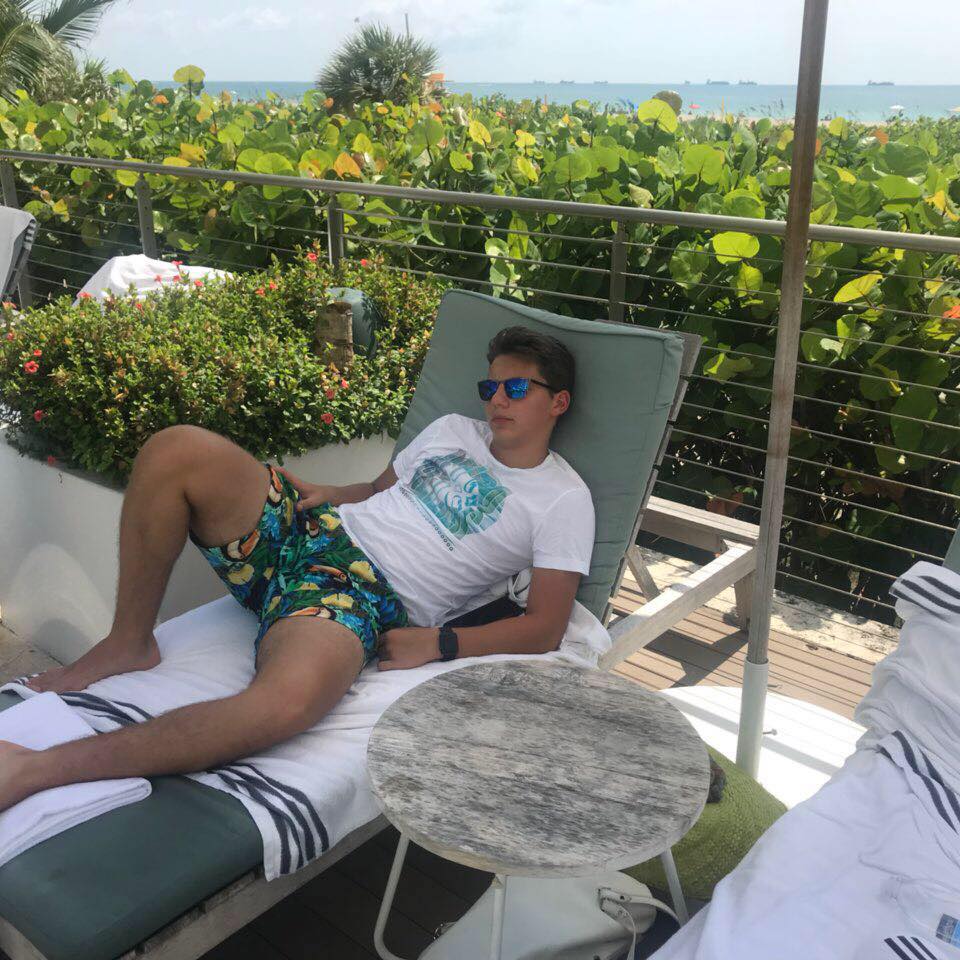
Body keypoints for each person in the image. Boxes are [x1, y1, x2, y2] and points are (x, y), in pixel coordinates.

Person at [0, 325, 595, 813]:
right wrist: (327, 491)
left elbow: (545, 626)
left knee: (286, 704)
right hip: (313, 530)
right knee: (175, 449)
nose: (496, 400)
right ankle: (129, 642)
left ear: (558, 402)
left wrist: (439, 642)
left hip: (355, 594)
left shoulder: (563, 500)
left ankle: (38, 767)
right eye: (490, 386)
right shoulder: (451, 430)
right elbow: (378, 490)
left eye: (516, 388)